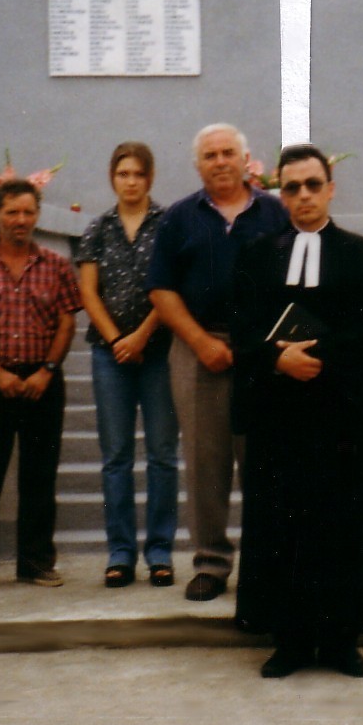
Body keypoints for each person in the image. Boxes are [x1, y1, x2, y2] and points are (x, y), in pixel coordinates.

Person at [230, 144, 363, 677]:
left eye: (312, 185)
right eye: (292, 187)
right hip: (279, 417)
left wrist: (310, 359)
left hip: (340, 415)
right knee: (282, 526)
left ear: (331, 188)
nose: (303, 195)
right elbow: (245, 325)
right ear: (281, 193)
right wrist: (278, 361)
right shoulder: (256, 254)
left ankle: (342, 640)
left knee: (343, 527)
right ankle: (290, 640)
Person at [148, 123, 290, 602]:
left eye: (229, 152)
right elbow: (162, 290)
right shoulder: (179, 218)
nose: (220, 161)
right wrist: (199, 341)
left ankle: (266, 563)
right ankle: (210, 563)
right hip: (197, 348)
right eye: (210, 155)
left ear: (247, 159)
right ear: (198, 165)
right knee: (206, 463)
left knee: (264, 461)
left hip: (262, 354)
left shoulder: (275, 212)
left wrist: (269, 346)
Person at [0, 179, 83, 589]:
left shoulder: (57, 265)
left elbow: (67, 321)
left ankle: (36, 561)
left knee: (39, 477)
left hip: (43, 381)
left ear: (37, 215)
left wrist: (46, 369)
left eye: (28, 212)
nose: (21, 220)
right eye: (12, 212)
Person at [75, 141, 178, 589]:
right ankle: (120, 553)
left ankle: (160, 553)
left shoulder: (170, 224)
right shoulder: (98, 228)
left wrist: (142, 336)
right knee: (116, 458)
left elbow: (174, 285)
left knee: (161, 456)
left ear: (149, 178)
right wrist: (118, 339)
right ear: (112, 178)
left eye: (138, 174)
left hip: (158, 352)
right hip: (109, 355)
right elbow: (88, 292)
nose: (130, 181)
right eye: (123, 174)